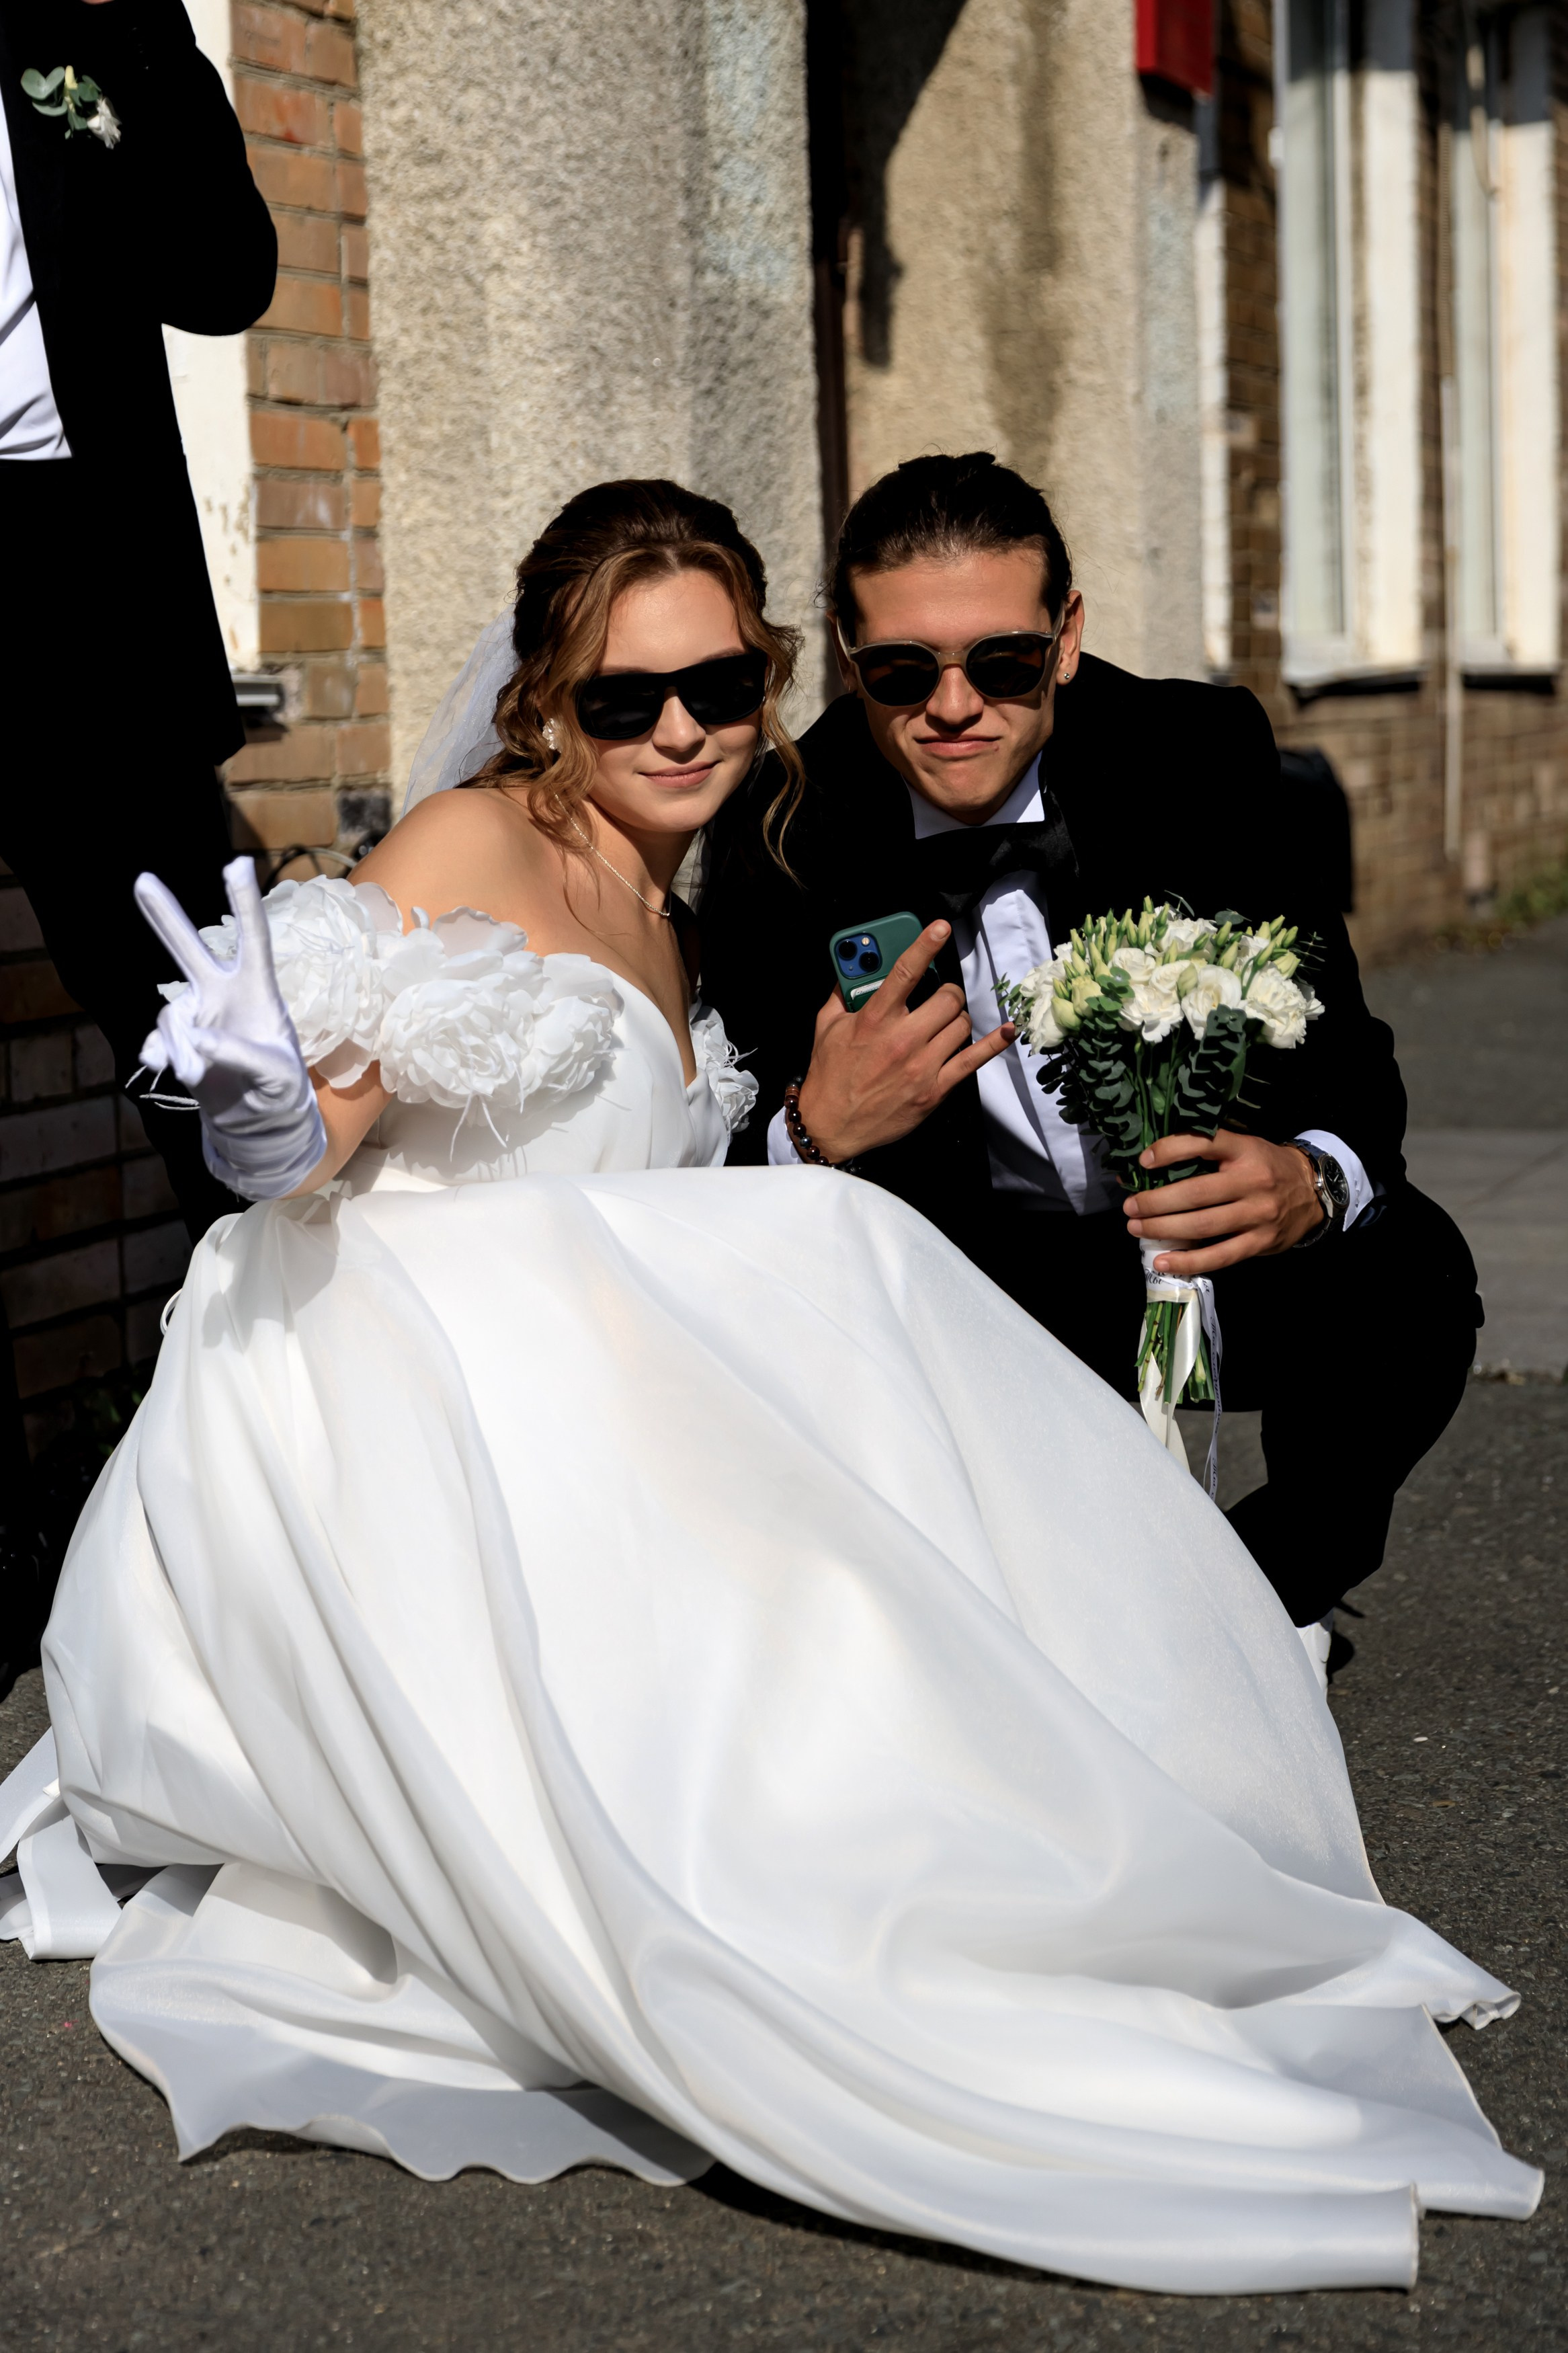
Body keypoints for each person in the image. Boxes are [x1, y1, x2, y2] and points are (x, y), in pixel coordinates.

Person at [0, 481, 1537, 2295]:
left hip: (625, 1366)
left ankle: (1179, 1657)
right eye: (624, 698)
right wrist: (259, 1108)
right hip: (424, 1396)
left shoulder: (699, 887)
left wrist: (1259, 1167)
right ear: (542, 701)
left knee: (916, 1538)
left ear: (770, 682)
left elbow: (677, 1197)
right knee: (803, 1714)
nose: (680, 730)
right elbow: (310, 1131)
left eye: (719, 689)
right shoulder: (482, 845)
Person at [700, 453, 1483, 1660]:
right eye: (902, 670)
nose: (953, 707)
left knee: (1411, 1277)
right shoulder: (781, 830)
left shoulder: (1194, 753)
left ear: (1064, 638)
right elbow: (722, 1183)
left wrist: (1309, 1176)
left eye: (1001, 662)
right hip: (966, 1289)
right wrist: (814, 1128)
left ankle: (1264, 1601)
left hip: (1198, 1251)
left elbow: (1349, 1053)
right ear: (852, 663)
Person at [0, 0, 278, 1665]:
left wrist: (140, 47)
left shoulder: (80, 21)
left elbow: (223, 276)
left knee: (208, 1048)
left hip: (78, 589)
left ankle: (281, 1470)